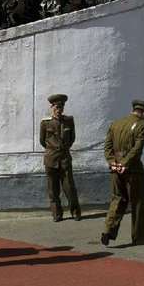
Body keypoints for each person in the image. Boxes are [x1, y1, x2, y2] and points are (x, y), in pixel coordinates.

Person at [101, 99, 144, 246]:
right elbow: (137, 148)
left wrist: (113, 163)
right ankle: (140, 238)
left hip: (115, 168)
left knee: (117, 199)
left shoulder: (116, 124)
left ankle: (108, 230)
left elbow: (107, 147)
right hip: (132, 169)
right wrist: (125, 164)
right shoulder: (143, 124)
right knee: (137, 203)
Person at [39, 93, 81, 222]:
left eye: (61, 107)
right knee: (53, 188)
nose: (59, 109)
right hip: (51, 158)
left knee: (69, 187)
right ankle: (57, 214)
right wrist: (53, 149)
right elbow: (42, 141)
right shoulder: (45, 123)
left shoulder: (69, 121)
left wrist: (64, 148)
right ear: (52, 108)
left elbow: (72, 138)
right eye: (57, 107)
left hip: (64, 158)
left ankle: (75, 212)